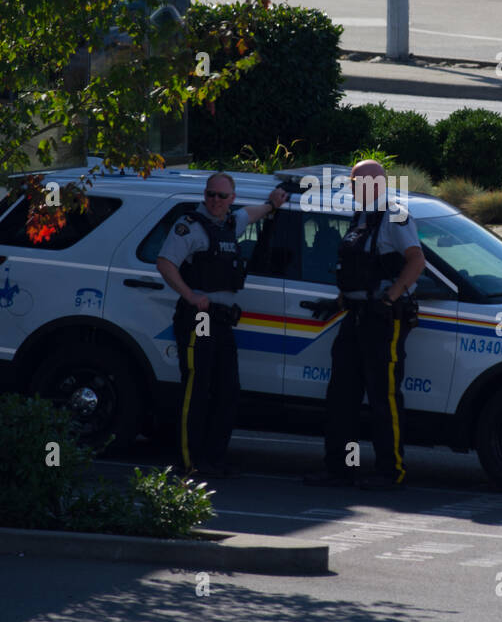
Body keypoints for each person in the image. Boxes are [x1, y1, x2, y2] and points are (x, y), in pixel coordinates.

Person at [305, 160, 426, 490]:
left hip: (381, 320)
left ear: (377, 184)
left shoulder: (396, 215)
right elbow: (361, 269)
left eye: (358, 182)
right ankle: (340, 468)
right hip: (355, 315)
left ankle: (390, 472)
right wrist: (341, 301)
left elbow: (416, 260)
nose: (354, 188)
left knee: (382, 398)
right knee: (342, 397)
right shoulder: (360, 217)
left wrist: (391, 297)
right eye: (353, 182)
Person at [158, 172, 288, 479]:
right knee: (197, 387)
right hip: (199, 318)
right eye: (210, 194)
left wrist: (272, 203)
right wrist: (190, 295)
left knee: (228, 390)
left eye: (221, 196)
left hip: (222, 320)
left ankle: (213, 461)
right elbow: (165, 263)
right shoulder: (189, 226)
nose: (214, 201)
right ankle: (188, 462)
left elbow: (252, 213)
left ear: (231, 198)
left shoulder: (231, 223)